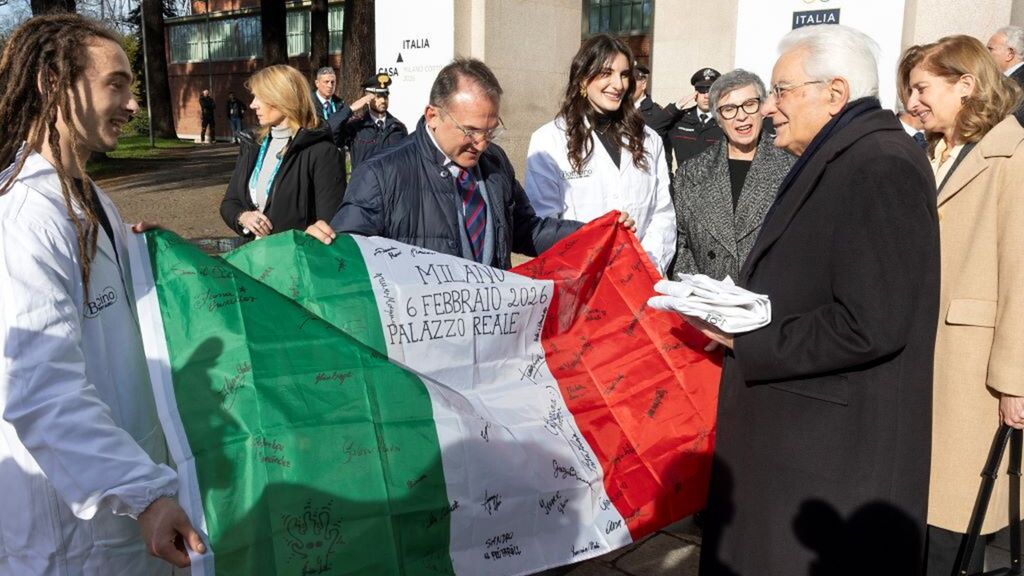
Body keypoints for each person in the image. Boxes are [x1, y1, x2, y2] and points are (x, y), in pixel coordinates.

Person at [682, 25, 940, 575]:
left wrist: (748, 337)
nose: (771, 107)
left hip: (832, 456)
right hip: (805, 442)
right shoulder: (844, 155)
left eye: (782, 91)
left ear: (835, 93)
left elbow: (872, 322)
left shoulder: (879, 165)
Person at [0, 13, 205, 574]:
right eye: (115, 84)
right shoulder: (23, 219)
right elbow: (39, 389)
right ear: (51, 83)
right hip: (72, 536)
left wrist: (156, 257)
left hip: (126, 511)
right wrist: (142, 492)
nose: (133, 104)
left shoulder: (89, 197)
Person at [899, 35, 1024, 576]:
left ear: (967, 85)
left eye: (923, 87)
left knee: (957, 521)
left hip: (972, 370)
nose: (913, 101)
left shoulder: (1011, 157)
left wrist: (1015, 381)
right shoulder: (934, 151)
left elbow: (1022, 271)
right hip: (928, 357)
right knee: (926, 519)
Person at [305, 58, 608, 270]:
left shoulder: (494, 163)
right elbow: (345, 261)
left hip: (491, 338)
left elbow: (527, 229)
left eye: (490, 130)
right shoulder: (381, 176)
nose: (482, 143)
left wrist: (595, 234)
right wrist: (321, 249)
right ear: (433, 116)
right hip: (420, 349)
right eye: (471, 131)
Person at [523, 34, 675, 272]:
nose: (618, 85)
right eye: (606, 73)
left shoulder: (649, 140)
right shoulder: (549, 140)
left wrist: (646, 265)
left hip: (640, 277)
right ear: (583, 78)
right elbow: (545, 224)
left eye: (624, 74)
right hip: (578, 276)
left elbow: (662, 213)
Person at [671, 69, 793, 281]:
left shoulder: (792, 168)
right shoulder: (691, 173)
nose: (741, 116)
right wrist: (696, 296)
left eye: (749, 104)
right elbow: (683, 245)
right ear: (718, 119)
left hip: (769, 302)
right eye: (729, 109)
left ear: (762, 108)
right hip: (708, 304)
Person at [220, 65, 346, 239]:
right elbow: (230, 202)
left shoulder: (321, 151)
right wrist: (243, 217)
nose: (252, 104)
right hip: (252, 259)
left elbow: (332, 223)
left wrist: (314, 234)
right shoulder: (252, 145)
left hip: (294, 261)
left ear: (282, 98)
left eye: (260, 97)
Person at [342, 73, 409, 172]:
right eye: (378, 96)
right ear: (368, 100)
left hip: (389, 185)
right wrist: (350, 109)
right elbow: (332, 132)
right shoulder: (356, 126)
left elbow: (404, 161)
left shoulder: (398, 128)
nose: (383, 100)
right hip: (364, 185)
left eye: (385, 96)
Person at [663, 67, 726, 169]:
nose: (706, 96)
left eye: (711, 91)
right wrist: (676, 106)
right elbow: (654, 126)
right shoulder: (680, 119)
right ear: (695, 94)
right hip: (684, 183)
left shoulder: (725, 120)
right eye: (702, 90)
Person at [633, 63, 675, 170]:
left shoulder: (658, 114)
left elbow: (665, 154)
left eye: (632, 82)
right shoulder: (618, 111)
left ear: (643, 84)